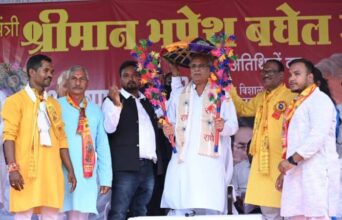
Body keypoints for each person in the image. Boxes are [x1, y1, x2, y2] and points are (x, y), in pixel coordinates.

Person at [161, 53, 238, 215]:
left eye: (201, 66)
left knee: (209, 200)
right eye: (193, 66)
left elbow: (233, 126)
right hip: (184, 157)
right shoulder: (180, 94)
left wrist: (223, 126)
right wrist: (168, 129)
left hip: (210, 159)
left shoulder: (221, 94)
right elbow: (172, 122)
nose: (196, 70)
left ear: (209, 69)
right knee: (184, 201)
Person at [1, 54, 76, 220]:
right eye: (46, 70)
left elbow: (62, 139)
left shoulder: (54, 104)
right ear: (32, 72)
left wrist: (70, 169)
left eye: (52, 71)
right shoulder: (15, 101)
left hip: (51, 171)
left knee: (51, 215)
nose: (50, 74)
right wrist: (13, 168)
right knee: (23, 213)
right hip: (25, 170)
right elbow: (8, 137)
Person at [229, 59, 297, 219]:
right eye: (264, 71)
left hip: (283, 161)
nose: (266, 74)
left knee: (290, 209)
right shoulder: (261, 97)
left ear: (281, 75)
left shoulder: (291, 97)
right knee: (269, 210)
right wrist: (228, 86)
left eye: (270, 71)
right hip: (263, 163)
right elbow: (242, 109)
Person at [277, 58, 340, 220]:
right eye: (290, 74)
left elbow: (317, 137)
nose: (291, 78)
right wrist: (286, 172)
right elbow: (295, 141)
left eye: (297, 74)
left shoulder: (320, 100)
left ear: (310, 78)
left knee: (317, 215)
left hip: (316, 173)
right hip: (297, 173)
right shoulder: (298, 104)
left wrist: (291, 161)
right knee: (296, 215)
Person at [102, 60, 160, 220]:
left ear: (141, 78)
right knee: (119, 212)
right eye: (126, 76)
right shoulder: (112, 99)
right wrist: (116, 104)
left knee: (140, 212)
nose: (131, 79)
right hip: (125, 168)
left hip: (148, 167)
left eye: (135, 75)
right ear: (120, 79)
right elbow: (109, 128)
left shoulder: (147, 102)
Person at [59, 65, 112, 219]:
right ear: (67, 83)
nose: (77, 82)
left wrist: (105, 178)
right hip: (59, 173)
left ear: (87, 83)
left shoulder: (95, 110)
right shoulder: (55, 106)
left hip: (85, 176)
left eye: (82, 79)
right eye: (74, 79)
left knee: (80, 216)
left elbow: (102, 146)